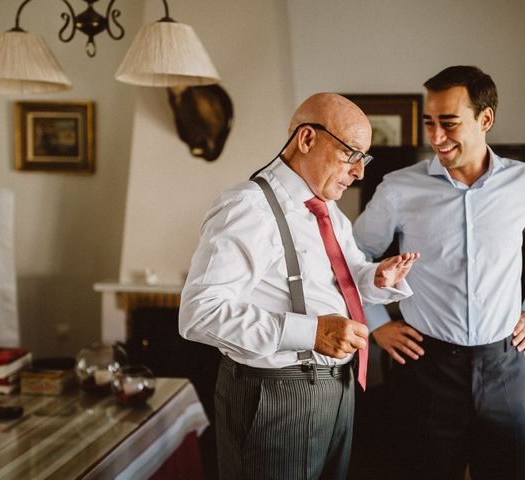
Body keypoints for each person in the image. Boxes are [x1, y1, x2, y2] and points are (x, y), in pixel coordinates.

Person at [179, 92, 419, 480]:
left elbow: (340, 276)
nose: (359, 172)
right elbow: (199, 313)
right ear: (307, 139)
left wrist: (373, 278)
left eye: (364, 158)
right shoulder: (247, 207)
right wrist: (312, 332)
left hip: (335, 390)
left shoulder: (329, 211)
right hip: (276, 398)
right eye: (351, 154)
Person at [353, 66, 525, 480]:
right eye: (429, 123)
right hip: (426, 369)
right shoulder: (398, 188)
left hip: (505, 365)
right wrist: (377, 324)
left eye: (448, 123)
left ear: (484, 119)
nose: (435, 137)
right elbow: (355, 255)